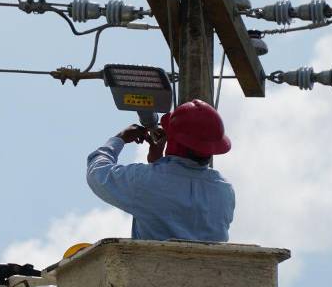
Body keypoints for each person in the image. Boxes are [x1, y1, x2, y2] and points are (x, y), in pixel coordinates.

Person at [86, 99, 235, 242]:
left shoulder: (146, 181)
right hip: (206, 262)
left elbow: (97, 173)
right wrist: (157, 161)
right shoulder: (225, 191)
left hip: (153, 261)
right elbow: (176, 194)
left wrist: (120, 138)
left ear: (174, 142)